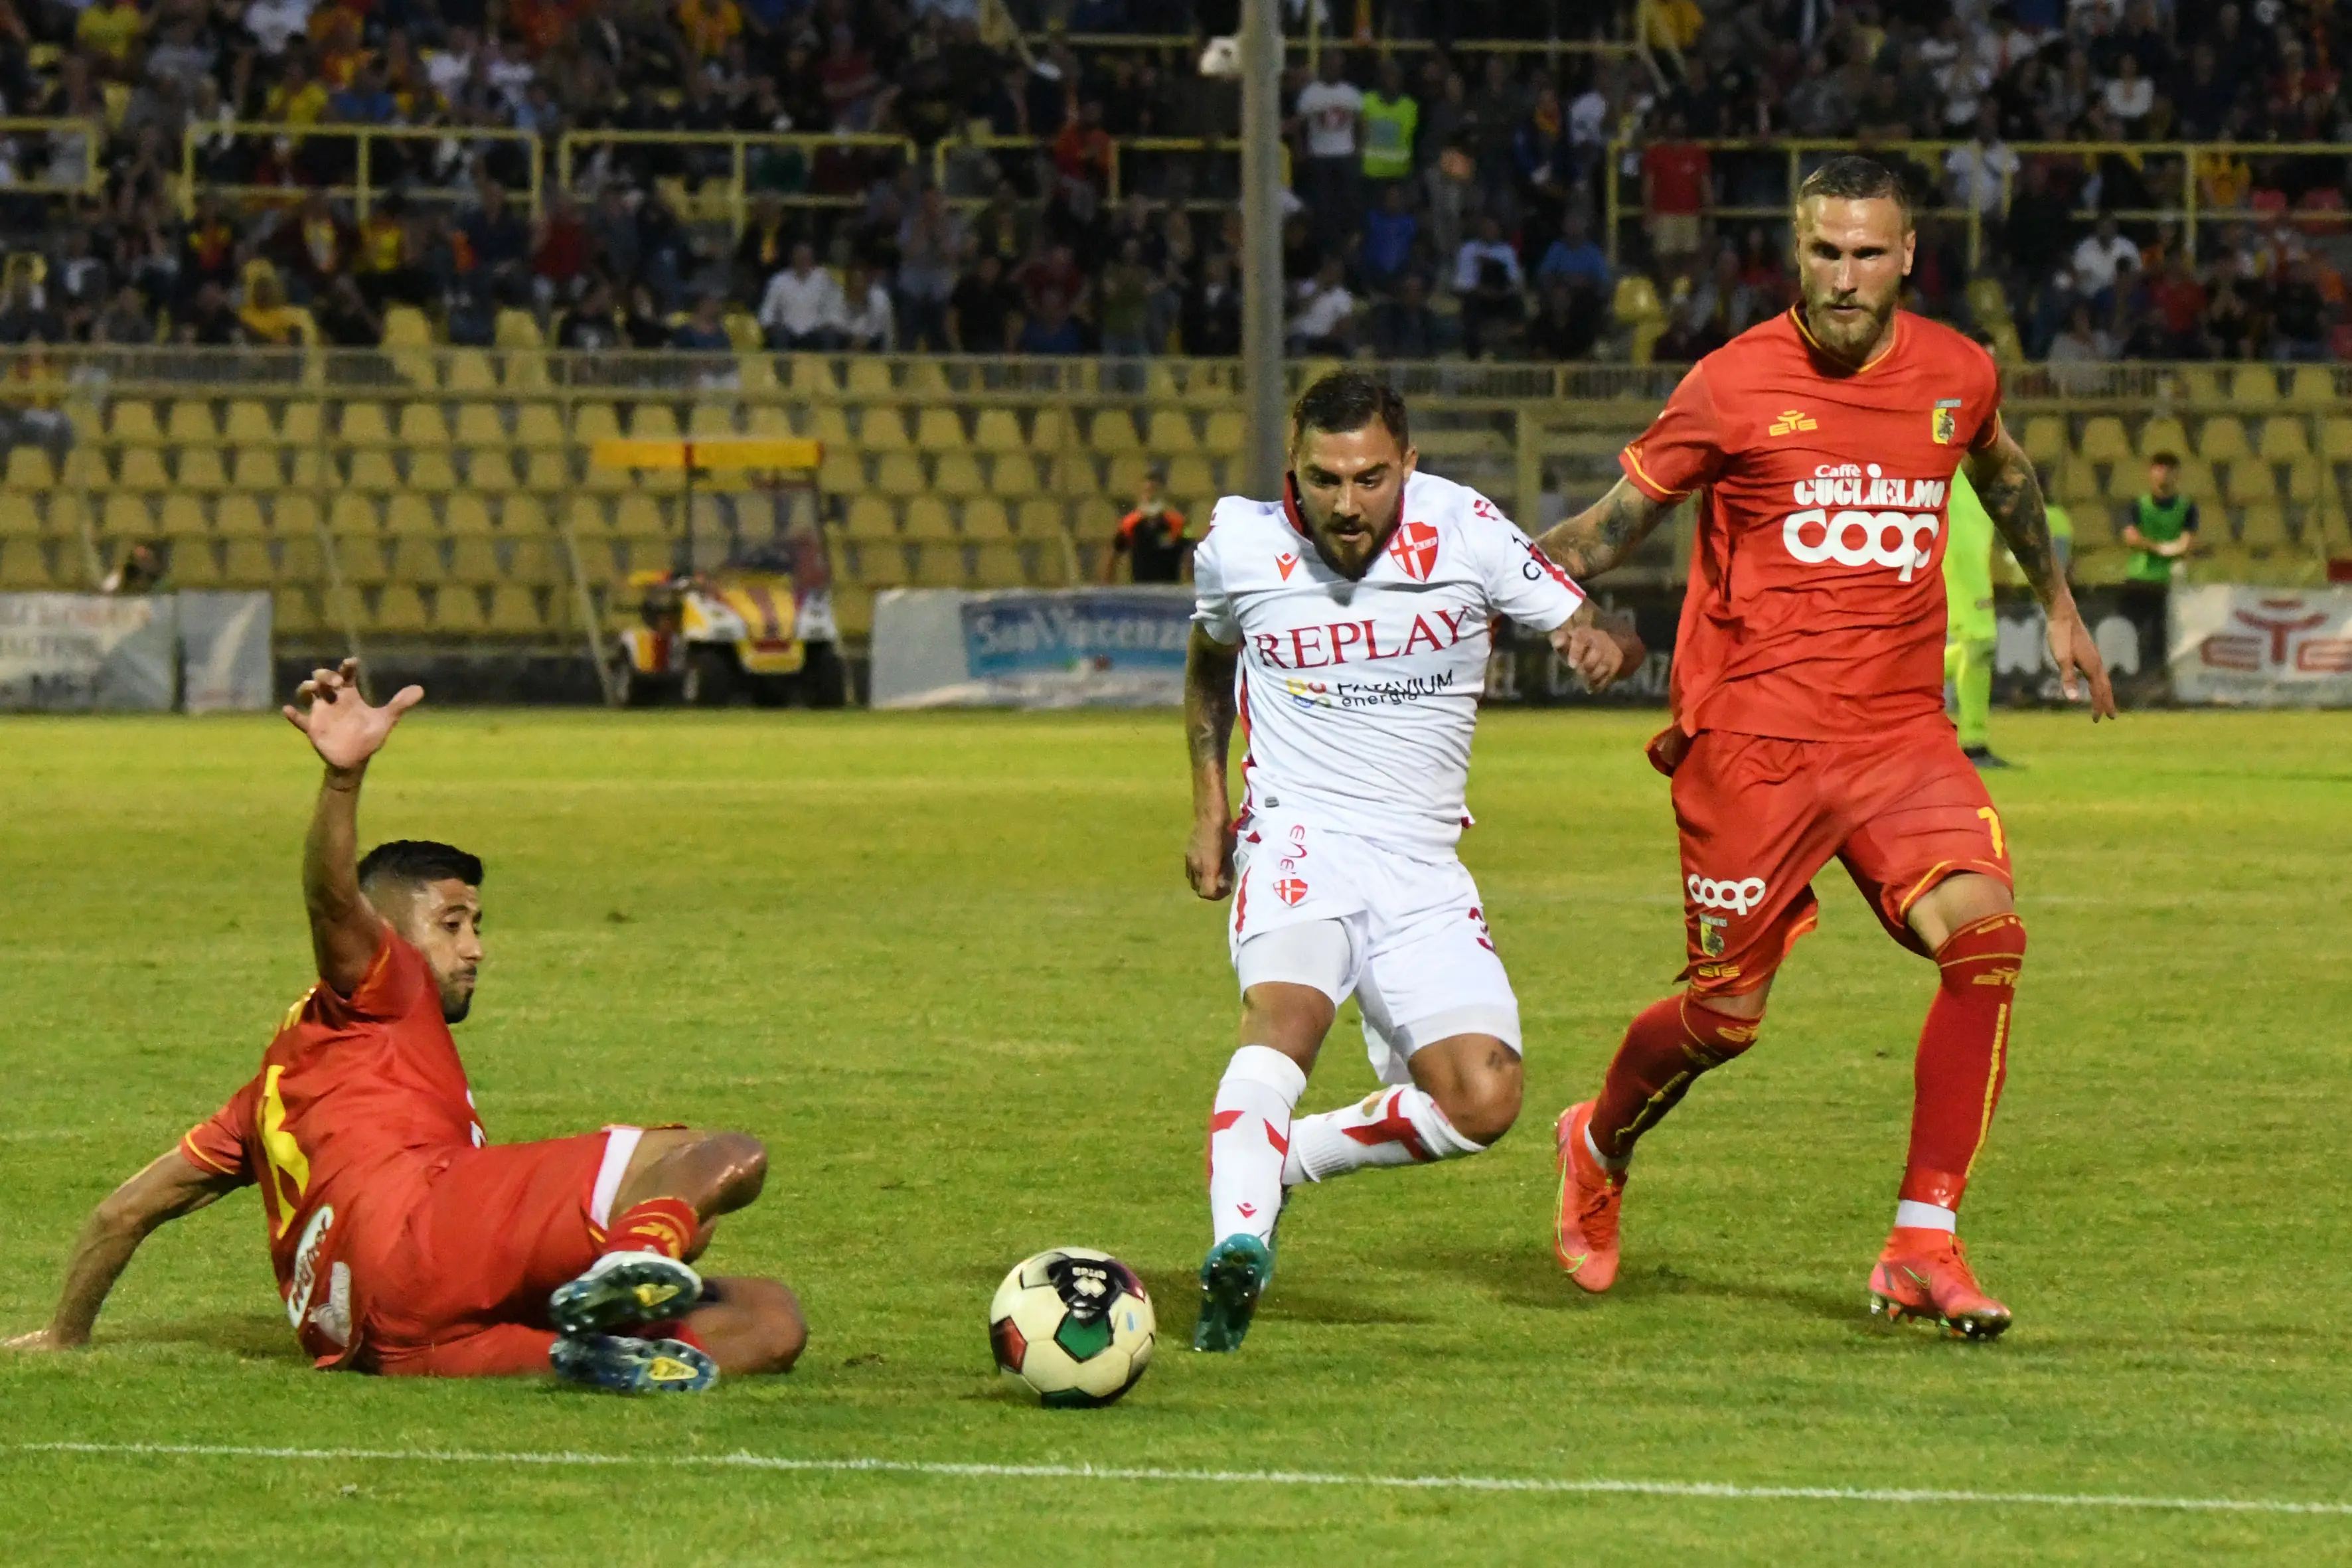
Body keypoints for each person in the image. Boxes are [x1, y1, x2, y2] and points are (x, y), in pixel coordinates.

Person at [1535, 157, 2114, 1341]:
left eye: (1866, 253)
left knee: (1987, 935)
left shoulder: (1957, 372)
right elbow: (1600, 532)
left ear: (1908, 256)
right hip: (1752, 744)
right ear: (1793, 254)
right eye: (1823, 252)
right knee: (1721, 1018)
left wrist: (2054, 598)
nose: (1843, 277)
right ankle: (1594, 1139)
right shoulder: (1730, 384)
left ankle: (1921, 1237)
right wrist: (1506, 595)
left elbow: (2001, 471)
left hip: (1898, 736)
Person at [5, 663, 808, 1393]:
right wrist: (342, 779)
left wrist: (65, 1332)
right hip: (421, 1234)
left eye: (478, 924)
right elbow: (329, 899)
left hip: (386, 1343)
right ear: (386, 929)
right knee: (719, 1159)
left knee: (770, 1321)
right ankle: (636, 1256)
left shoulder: (261, 1101)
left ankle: (587, 1350)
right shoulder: (381, 986)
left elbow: (124, 1212)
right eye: (453, 923)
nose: (475, 947)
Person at [1180, 370, 1640, 1353]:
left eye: (1370, 478)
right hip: (1299, 833)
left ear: (1409, 466)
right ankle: (1237, 1245)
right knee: (1286, 1015)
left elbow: (1575, 621)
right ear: (1290, 470)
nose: (1347, 504)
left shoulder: (1466, 530)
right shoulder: (1241, 547)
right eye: (1324, 479)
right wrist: (1209, 799)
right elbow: (1209, 657)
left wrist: (1599, 648)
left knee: (1483, 1100)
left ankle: (1282, 1157)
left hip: (1423, 860)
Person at [1942, 468, 2003, 768]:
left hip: (1971, 539)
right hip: (1958, 544)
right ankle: (1974, 744)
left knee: (1974, 647)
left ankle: (1880, 689)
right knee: (1981, 643)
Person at [2119, 451, 2198, 676]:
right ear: (2150, 473)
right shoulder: (2138, 505)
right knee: (2134, 635)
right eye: (2159, 468)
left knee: (2162, 638)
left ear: (2177, 475)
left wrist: (2169, 549)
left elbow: (2188, 543)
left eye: (2169, 469)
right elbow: (2130, 538)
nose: (2164, 474)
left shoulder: (2187, 508)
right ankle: (2130, 682)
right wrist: (2163, 549)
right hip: (2139, 579)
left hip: (2169, 583)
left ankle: (2157, 684)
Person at [1105, 465, 1188, 584]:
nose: (1151, 495)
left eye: (1155, 490)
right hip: (1141, 592)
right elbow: (1113, 554)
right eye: (1147, 491)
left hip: (1170, 591)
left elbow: (1191, 551)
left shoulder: (1178, 523)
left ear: (1162, 492)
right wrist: (1108, 586)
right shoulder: (1129, 524)